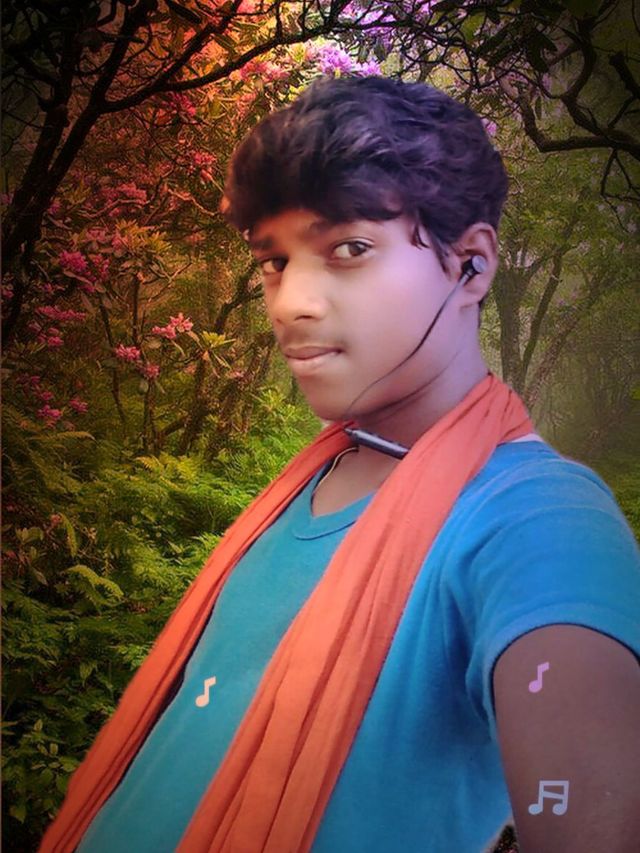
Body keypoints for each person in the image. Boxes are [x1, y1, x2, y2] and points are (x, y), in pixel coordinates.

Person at [41, 76, 640, 853]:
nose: (290, 302)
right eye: (274, 260)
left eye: (348, 249)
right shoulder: (310, 481)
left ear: (471, 265)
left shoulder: (537, 518)